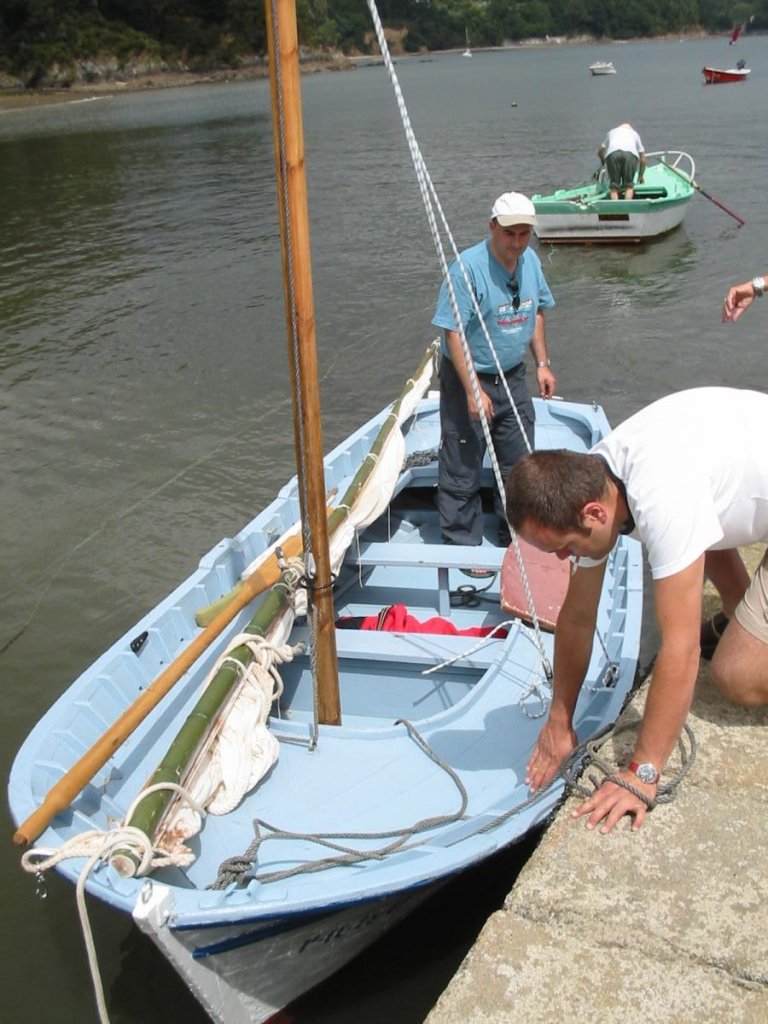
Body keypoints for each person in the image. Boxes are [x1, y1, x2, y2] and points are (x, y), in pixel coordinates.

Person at [504, 387, 768, 834]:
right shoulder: (595, 475)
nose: (565, 560)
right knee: (685, 538)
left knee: (735, 675)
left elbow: (680, 649)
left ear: (593, 513)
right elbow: (578, 615)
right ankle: (743, 613)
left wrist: (642, 772)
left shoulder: (662, 496)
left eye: (566, 548)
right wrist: (559, 718)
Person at [431, 191, 556, 554]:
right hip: (468, 376)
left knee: (520, 463)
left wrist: (543, 364)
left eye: (523, 234)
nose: (516, 243)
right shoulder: (466, 269)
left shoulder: (530, 261)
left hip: (512, 375)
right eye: (509, 234)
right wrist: (472, 390)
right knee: (462, 462)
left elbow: (536, 312)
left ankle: (516, 537)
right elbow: (452, 330)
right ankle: (462, 543)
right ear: (492, 228)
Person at [597, 123, 647, 200]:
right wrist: (640, 176)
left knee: (614, 187)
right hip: (630, 155)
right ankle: (626, 207)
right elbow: (643, 160)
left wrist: (603, 161)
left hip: (612, 154)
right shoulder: (635, 134)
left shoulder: (611, 132)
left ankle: (615, 208)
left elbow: (600, 151)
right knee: (629, 186)